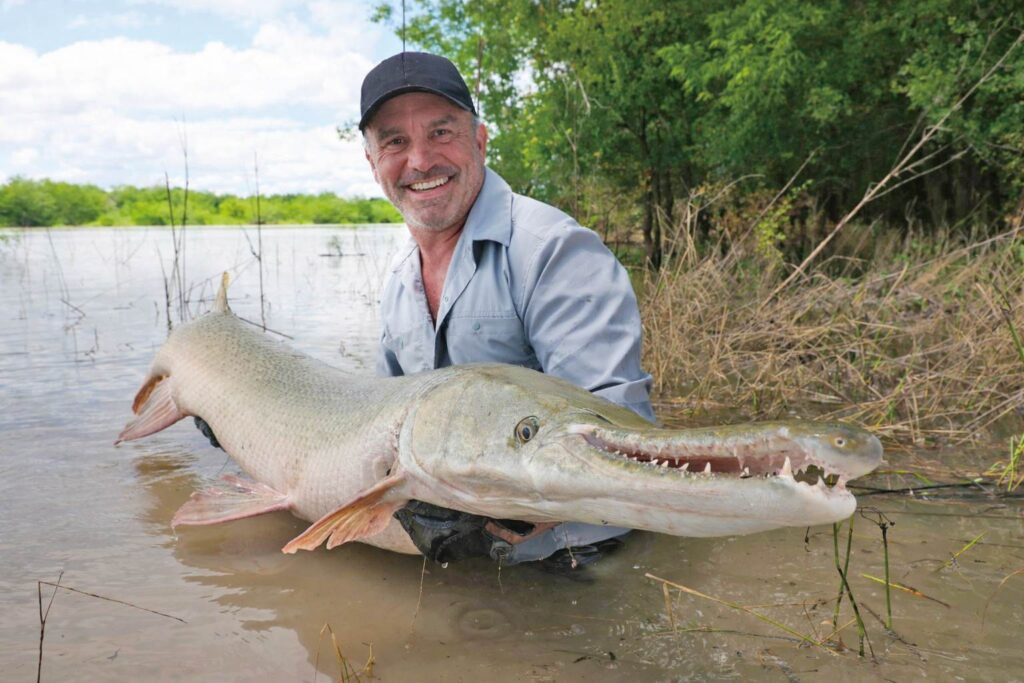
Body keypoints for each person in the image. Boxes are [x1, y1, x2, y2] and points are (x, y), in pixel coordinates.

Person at [359, 51, 655, 570]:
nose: (421, 160)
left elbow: (615, 437)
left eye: (442, 132)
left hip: (576, 558)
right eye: (395, 142)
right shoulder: (396, 282)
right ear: (373, 164)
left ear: (480, 139)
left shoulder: (554, 249)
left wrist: (489, 509)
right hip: (461, 562)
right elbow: (381, 423)